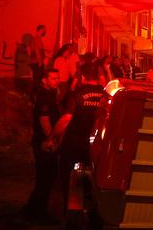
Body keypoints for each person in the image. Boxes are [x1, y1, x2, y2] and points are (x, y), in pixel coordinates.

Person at [46, 60, 107, 211]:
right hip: (96, 146)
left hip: (74, 144)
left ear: (83, 76)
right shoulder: (105, 94)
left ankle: (73, 215)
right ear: (98, 76)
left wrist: (51, 138)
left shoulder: (78, 93)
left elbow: (66, 119)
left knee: (71, 181)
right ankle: (94, 216)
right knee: (93, 183)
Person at [22, 67, 63, 222]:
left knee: (45, 178)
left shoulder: (50, 94)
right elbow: (44, 120)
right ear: (44, 80)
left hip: (45, 141)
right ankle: (38, 213)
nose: (57, 81)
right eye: (53, 78)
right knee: (46, 178)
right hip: (44, 143)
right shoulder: (44, 96)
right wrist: (51, 140)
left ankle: (31, 209)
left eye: (57, 78)